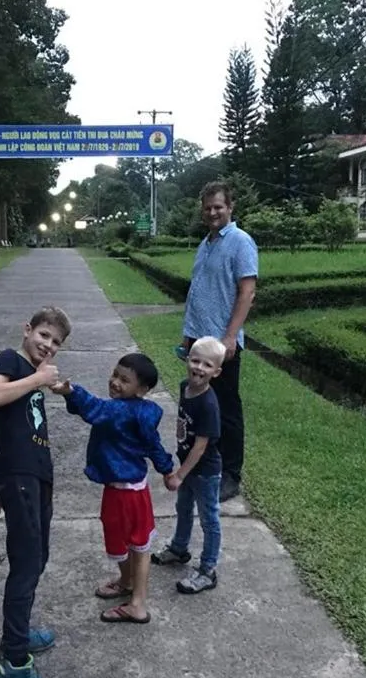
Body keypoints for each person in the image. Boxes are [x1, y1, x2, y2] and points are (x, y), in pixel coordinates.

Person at [0, 306, 71, 678]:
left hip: (34, 477)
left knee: (37, 559)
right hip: (19, 477)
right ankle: (14, 662)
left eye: (55, 343)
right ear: (27, 330)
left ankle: (16, 633)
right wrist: (37, 377)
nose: (47, 345)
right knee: (25, 562)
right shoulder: (10, 360)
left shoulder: (34, 375)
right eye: (44, 336)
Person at [51, 353, 174, 625]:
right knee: (137, 542)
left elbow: (95, 408)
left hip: (122, 493)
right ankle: (128, 583)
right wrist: (167, 470)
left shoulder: (119, 410)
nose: (115, 382)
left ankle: (137, 604)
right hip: (135, 489)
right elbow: (154, 446)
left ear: (141, 389)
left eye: (124, 380)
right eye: (115, 375)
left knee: (129, 544)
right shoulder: (142, 411)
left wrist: (71, 392)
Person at [179, 181, 258, 502]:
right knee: (201, 407)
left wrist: (229, 338)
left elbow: (247, 292)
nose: (213, 212)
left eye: (218, 207)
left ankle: (231, 474)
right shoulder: (206, 243)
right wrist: (188, 335)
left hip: (221, 346)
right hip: (198, 340)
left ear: (230, 207)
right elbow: (199, 292)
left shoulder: (240, 242)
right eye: (208, 207)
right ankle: (207, 463)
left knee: (226, 408)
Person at [152, 337, 225, 594]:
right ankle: (179, 548)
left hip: (204, 472)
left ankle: (207, 570)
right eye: (195, 360)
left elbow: (201, 446)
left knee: (209, 519)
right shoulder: (185, 387)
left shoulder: (208, 404)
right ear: (186, 359)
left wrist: (179, 475)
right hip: (188, 467)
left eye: (207, 365)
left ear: (216, 372)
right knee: (183, 509)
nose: (199, 368)